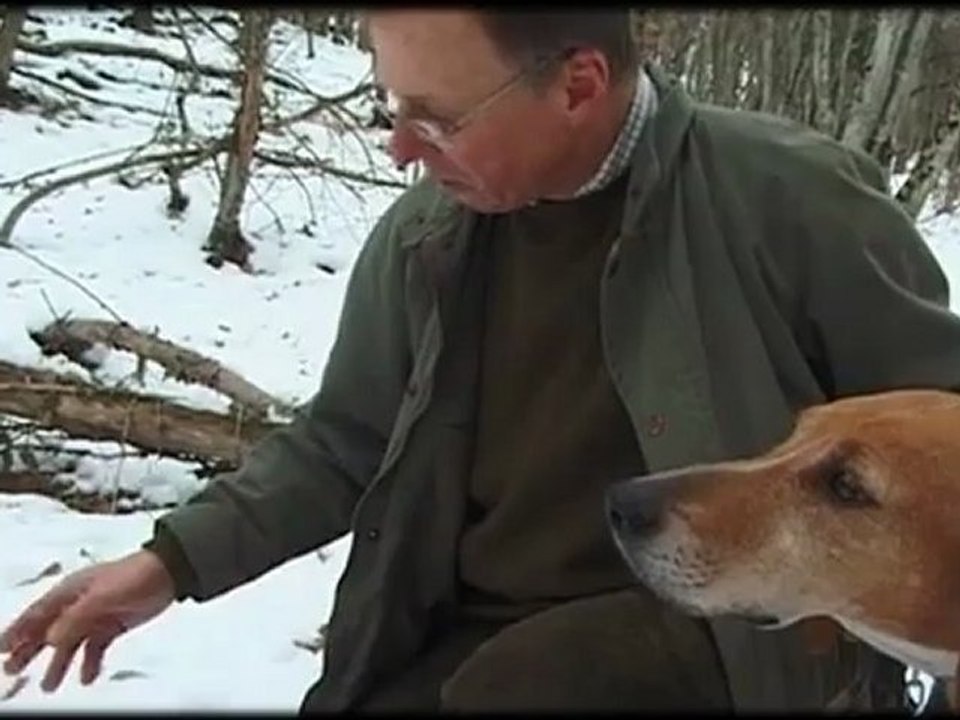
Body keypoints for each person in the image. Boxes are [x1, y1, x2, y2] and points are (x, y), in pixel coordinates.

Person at [2, 9, 959, 712]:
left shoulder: (791, 201)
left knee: (525, 685)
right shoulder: (427, 237)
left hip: (735, 640)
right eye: (393, 107)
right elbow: (344, 441)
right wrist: (169, 563)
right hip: (472, 617)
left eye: (438, 115)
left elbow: (936, 439)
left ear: (579, 83)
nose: (397, 147)